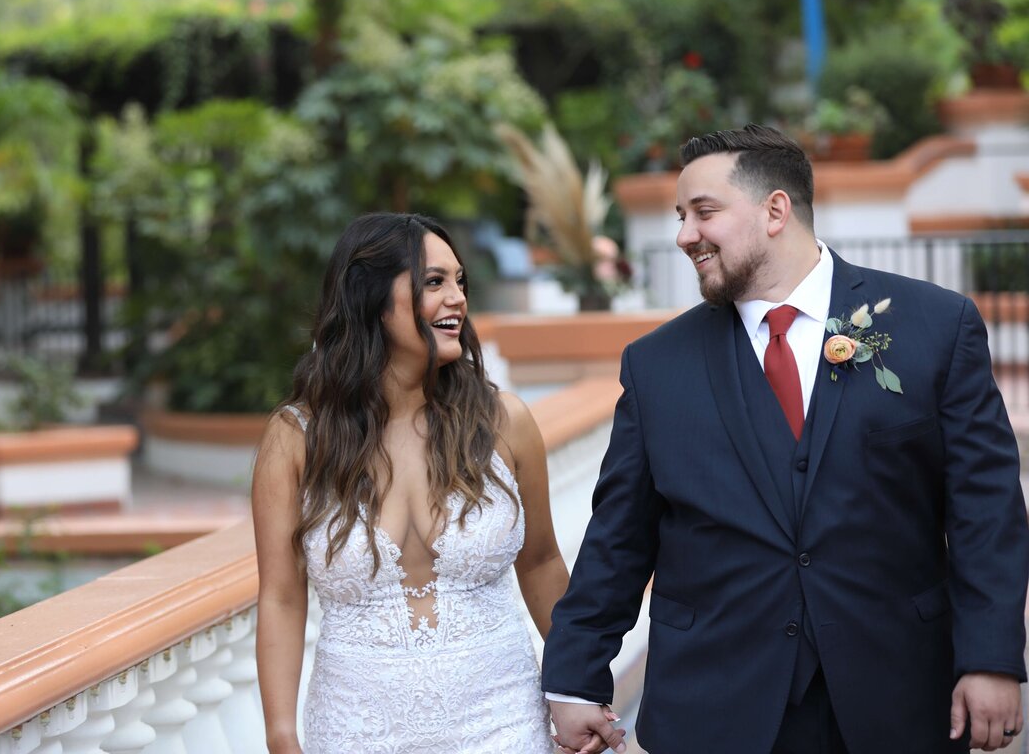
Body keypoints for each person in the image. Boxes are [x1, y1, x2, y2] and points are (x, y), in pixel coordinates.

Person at [543, 124, 1029, 754]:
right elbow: (618, 538)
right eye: (680, 216)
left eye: (703, 212)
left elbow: (985, 510)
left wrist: (990, 656)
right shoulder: (655, 366)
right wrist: (577, 680)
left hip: (898, 693)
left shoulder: (935, 326)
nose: (685, 235)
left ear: (776, 210)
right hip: (717, 703)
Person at [252, 212, 570, 753]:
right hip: (357, 730)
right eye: (434, 282)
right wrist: (281, 736)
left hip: (502, 723)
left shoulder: (503, 422)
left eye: (460, 281)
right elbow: (281, 596)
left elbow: (540, 562)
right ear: (371, 298)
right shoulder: (296, 439)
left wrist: (579, 686)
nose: (457, 299)